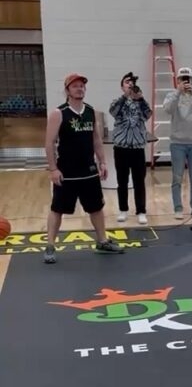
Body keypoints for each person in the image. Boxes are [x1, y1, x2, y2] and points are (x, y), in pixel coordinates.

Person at [44, 73, 125, 264]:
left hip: (88, 170)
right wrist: (53, 169)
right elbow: (49, 143)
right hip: (67, 171)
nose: (79, 88)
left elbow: (96, 139)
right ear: (67, 90)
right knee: (58, 209)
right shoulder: (59, 113)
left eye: (82, 86)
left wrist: (102, 162)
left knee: (96, 208)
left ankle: (102, 241)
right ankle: (49, 245)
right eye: (75, 86)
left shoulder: (90, 111)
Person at [163, 67, 192, 220]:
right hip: (177, 143)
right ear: (177, 81)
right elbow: (168, 109)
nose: (185, 82)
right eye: (182, 79)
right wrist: (178, 92)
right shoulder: (172, 96)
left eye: (188, 79)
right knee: (177, 177)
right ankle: (178, 208)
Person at [109, 73, 152, 225]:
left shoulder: (140, 102)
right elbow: (113, 112)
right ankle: (123, 210)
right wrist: (125, 97)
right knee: (122, 181)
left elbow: (148, 115)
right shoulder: (117, 102)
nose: (130, 84)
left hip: (138, 148)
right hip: (121, 148)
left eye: (132, 82)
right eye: (127, 82)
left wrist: (140, 98)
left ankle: (141, 211)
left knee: (139, 181)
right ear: (122, 86)